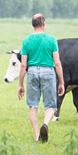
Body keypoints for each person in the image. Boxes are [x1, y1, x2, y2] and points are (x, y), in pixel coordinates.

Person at [17, 13, 65, 142]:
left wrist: (20, 84)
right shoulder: (51, 39)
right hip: (48, 72)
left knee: (33, 106)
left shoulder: (26, 41)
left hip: (32, 72)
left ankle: (37, 136)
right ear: (44, 23)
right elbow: (57, 62)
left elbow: (23, 64)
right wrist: (61, 82)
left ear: (32, 25)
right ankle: (45, 124)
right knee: (50, 105)